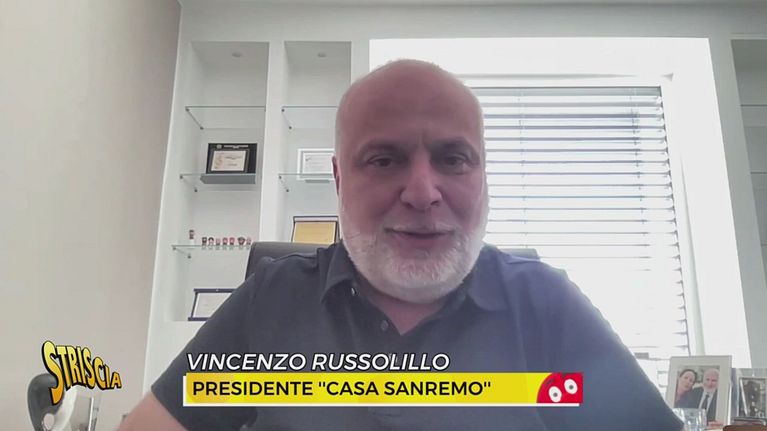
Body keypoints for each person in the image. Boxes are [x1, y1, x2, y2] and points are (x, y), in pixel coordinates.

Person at [118, 60, 683, 430]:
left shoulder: (545, 305)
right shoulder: (271, 300)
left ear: (483, 177)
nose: (422, 193)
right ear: (340, 181)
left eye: (453, 159)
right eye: (384, 160)